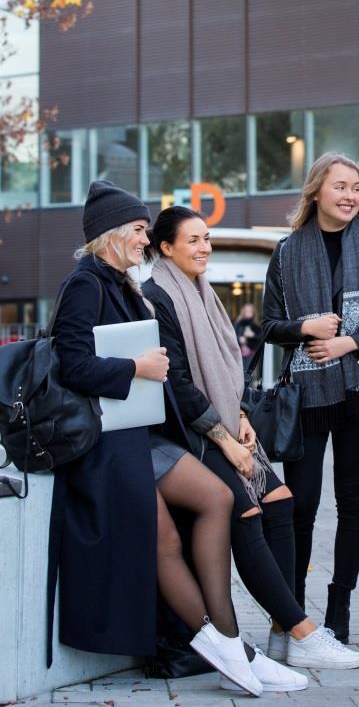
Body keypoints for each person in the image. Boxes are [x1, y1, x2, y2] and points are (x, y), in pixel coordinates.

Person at [48, 180, 282, 696]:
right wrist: (136, 366)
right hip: (107, 444)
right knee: (167, 539)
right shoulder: (85, 283)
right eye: (137, 230)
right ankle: (226, 646)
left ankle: (228, 640)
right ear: (111, 234)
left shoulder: (119, 282)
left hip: (138, 434)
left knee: (218, 497)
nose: (144, 240)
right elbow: (70, 363)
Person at [143, 206, 359, 673]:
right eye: (193, 240)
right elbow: (178, 384)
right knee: (244, 509)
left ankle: (283, 634)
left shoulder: (204, 292)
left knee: (281, 500)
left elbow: (228, 366)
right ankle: (301, 630)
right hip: (188, 434)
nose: (205, 247)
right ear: (165, 248)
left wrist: (242, 414)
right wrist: (226, 440)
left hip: (224, 422)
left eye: (207, 238)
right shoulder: (157, 295)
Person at [262, 152, 359, 644]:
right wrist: (305, 327)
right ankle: (292, 612)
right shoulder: (286, 252)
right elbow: (269, 326)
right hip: (306, 394)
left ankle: (340, 606)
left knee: (353, 500)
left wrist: (349, 341)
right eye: (340, 186)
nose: (349, 196)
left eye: (356, 188)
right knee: (301, 504)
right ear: (316, 191)